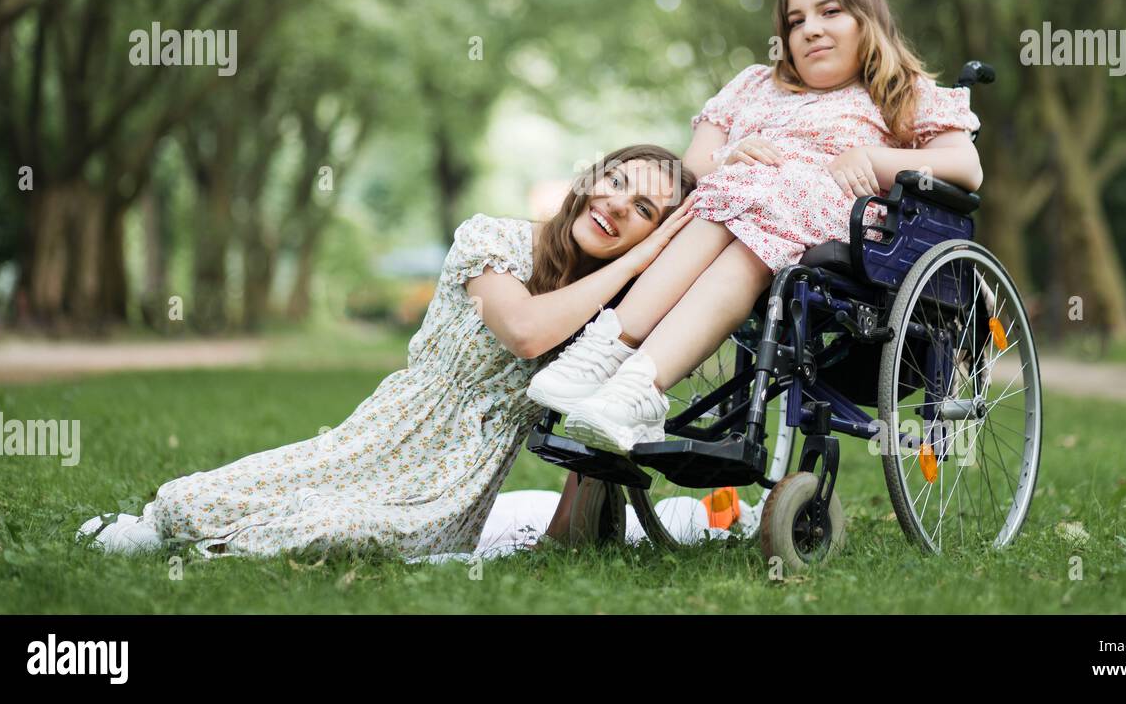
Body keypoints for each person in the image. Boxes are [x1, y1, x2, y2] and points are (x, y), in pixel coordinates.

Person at [77, 144, 698, 559]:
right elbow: (526, 331)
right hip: (390, 432)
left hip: (462, 480)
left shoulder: (613, 313)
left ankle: (223, 548)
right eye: (615, 181)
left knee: (336, 529)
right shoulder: (495, 239)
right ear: (590, 178)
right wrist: (646, 254)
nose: (617, 203)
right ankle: (160, 529)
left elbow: (595, 427)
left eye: (644, 208)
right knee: (193, 504)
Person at [527, 0, 984, 454]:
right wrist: (729, 157)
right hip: (738, 209)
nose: (810, 30)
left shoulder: (901, 91)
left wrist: (871, 156)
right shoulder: (752, 85)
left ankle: (625, 371)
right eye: (795, 21)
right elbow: (694, 169)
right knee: (742, 196)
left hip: (842, 224)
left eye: (829, 12)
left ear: (866, 19)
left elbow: (965, 167)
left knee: (755, 202)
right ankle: (614, 364)